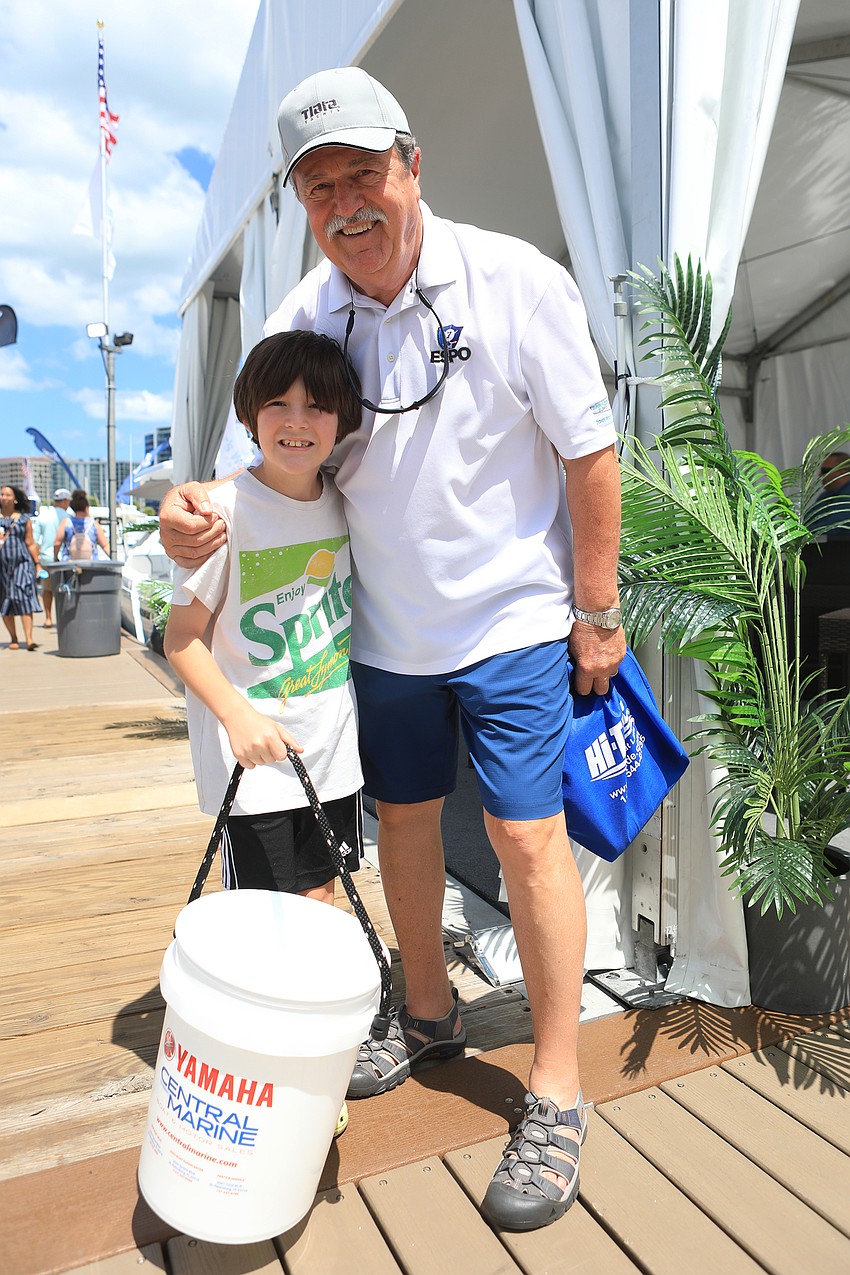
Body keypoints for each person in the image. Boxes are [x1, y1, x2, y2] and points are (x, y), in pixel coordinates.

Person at [159, 66, 625, 1231]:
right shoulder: (300, 319)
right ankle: (425, 1017)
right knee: (405, 830)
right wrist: (180, 511)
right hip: (382, 642)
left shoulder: (516, 279)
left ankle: (557, 1089)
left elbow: (587, 449)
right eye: (319, 189)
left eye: (363, 175)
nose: (345, 206)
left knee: (528, 837)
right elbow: (234, 477)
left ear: (413, 165)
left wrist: (597, 606)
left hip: (517, 626)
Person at [164, 329, 365, 1139]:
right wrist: (239, 714)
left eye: (317, 406)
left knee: (323, 902)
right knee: (263, 917)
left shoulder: (348, 500)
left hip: (332, 755)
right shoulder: (222, 511)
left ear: (343, 420)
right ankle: (266, 1066)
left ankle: (314, 1064)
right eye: (277, 403)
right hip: (252, 769)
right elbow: (182, 639)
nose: (297, 420)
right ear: (249, 413)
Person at [0, 483, 42, 649]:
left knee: (23, 594)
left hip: (22, 563)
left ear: (15, 499)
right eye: (2, 494)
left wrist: (37, 564)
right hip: (2, 566)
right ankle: (14, 638)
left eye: (8, 495)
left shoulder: (24, 519)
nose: (4, 497)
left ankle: (29, 639)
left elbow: (30, 543)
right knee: (4, 600)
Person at [33, 487, 72, 626]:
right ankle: (64, 618)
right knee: (66, 590)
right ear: (65, 501)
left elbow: (35, 541)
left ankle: (48, 618)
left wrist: (36, 562)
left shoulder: (43, 515)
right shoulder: (69, 516)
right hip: (66, 560)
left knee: (47, 589)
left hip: (46, 559)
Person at [54, 489, 110, 561]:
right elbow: (105, 545)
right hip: (91, 564)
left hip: (70, 564)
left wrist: (55, 558)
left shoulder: (66, 522)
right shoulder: (93, 524)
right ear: (86, 508)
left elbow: (57, 543)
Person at [811, 451, 850, 539]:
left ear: (842, 472)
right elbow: (806, 521)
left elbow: (832, 528)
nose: (820, 474)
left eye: (825, 470)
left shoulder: (847, 496)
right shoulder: (825, 496)